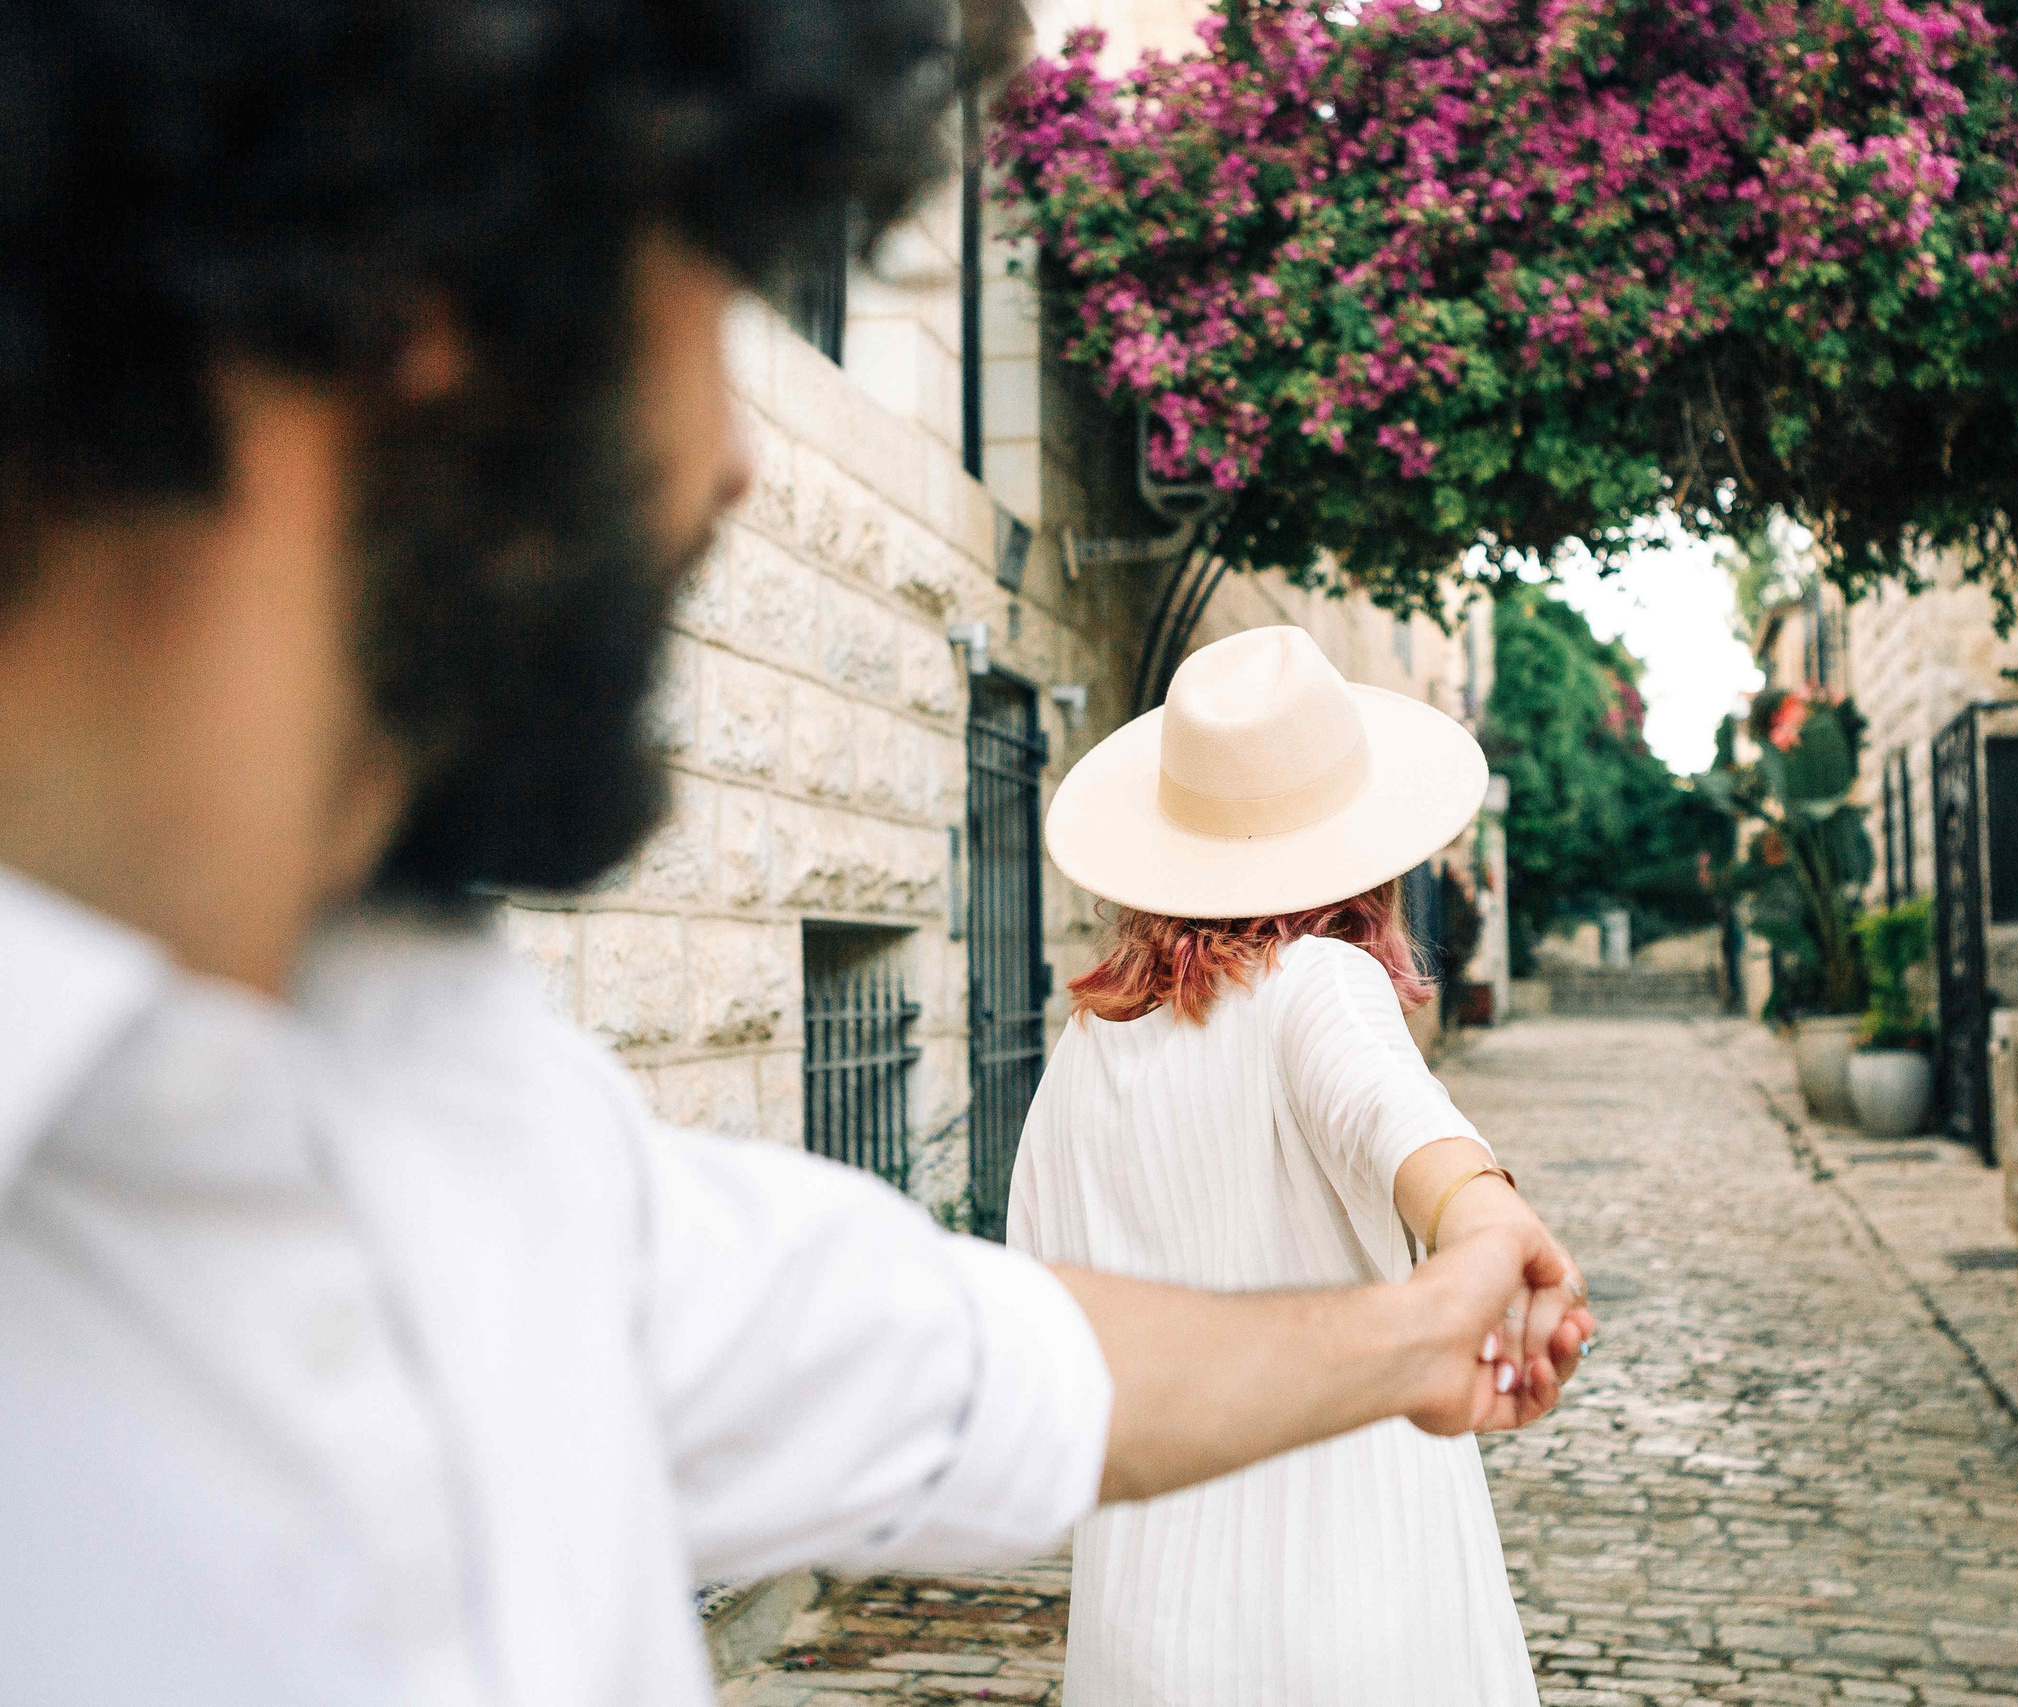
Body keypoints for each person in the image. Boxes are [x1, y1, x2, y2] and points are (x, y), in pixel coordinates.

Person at [0, 3, 1591, 1699]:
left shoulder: (481, 1118)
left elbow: (995, 1363)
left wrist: (1417, 1331)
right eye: (706, 290)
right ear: (425, 301)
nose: (737, 457)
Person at [1012, 625, 1584, 1705]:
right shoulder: (1319, 981)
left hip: (1145, 1617)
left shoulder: (1085, 1049)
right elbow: (1403, 1128)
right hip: (1346, 1597)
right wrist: (1487, 1221)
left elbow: (1044, 1320)